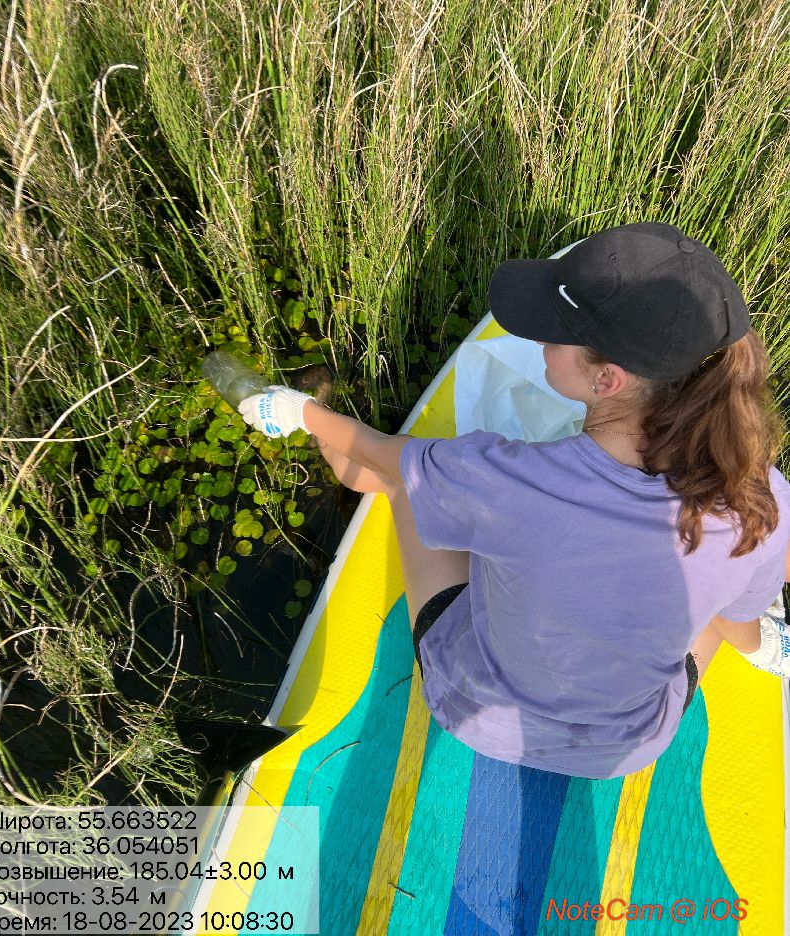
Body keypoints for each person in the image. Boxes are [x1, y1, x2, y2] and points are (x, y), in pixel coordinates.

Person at [238, 221, 790, 779]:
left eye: (553, 334)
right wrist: (751, 637)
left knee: (395, 478)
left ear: (608, 380)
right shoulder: (764, 499)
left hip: (475, 712)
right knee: (726, 603)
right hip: (625, 749)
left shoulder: (501, 477)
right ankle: (771, 651)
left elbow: (378, 453)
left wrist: (298, 412)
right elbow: (734, 619)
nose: (540, 342)